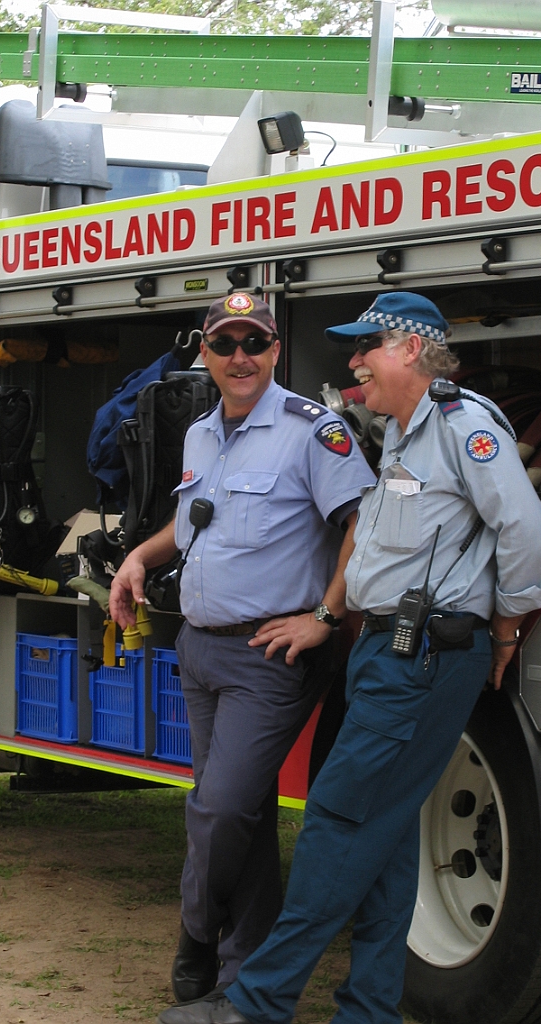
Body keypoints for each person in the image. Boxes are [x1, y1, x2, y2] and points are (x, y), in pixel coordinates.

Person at [157, 291, 541, 1024]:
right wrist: (330, 618)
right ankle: (369, 1009)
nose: (353, 361)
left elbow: (529, 535)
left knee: (338, 822)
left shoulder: (463, 427)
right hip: (385, 649)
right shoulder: (403, 432)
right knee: (388, 840)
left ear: (409, 349)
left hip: (425, 654)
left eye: (366, 346)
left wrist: (505, 630)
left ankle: (255, 1003)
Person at [109, 292, 375, 1004]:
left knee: (221, 809)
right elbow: (194, 524)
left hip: (270, 655)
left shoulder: (312, 431)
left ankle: (197, 932)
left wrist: (326, 613)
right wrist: (140, 555)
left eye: (253, 343)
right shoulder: (200, 433)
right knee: (243, 817)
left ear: (275, 350)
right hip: (198, 649)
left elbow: (365, 522)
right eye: (224, 344)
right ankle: (239, 976)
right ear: (205, 352)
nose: (239, 358)